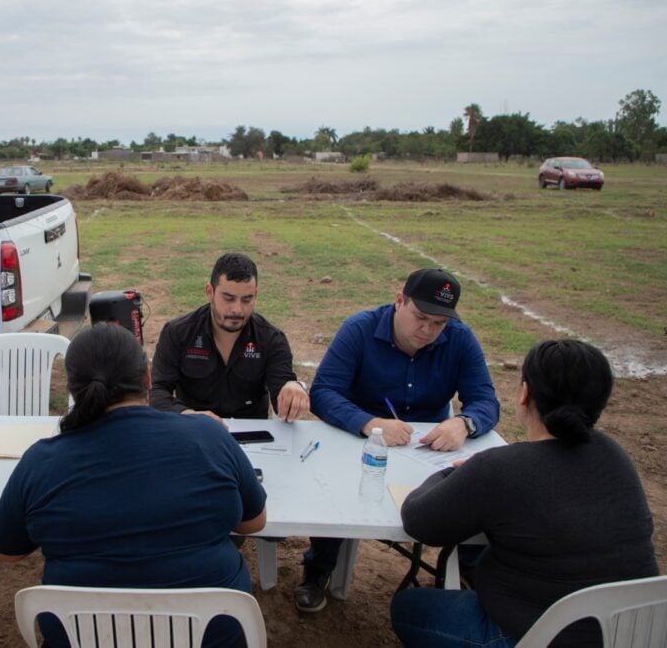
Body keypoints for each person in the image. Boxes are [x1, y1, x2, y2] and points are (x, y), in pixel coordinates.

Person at [0, 323, 267, 648]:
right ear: (147, 378)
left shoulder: (42, 462)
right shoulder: (208, 436)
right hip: (211, 637)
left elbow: (2, 550)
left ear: (74, 391)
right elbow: (254, 522)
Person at [390, 339, 658, 647]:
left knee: (409, 607)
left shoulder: (502, 468)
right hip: (635, 632)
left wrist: (454, 472)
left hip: (536, 637)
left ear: (525, 393)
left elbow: (419, 521)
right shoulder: (615, 455)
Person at [298, 268, 500, 612]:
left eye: (439, 324)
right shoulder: (359, 329)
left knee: (475, 490)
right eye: (420, 318)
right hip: (360, 440)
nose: (428, 330)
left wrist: (465, 423)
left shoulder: (460, 339)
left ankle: (471, 571)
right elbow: (323, 392)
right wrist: (369, 423)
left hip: (427, 449)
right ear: (398, 301)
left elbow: (485, 399)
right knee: (332, 490)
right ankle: (318, 569)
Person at [151, 252, 310, 422]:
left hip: (253, 436)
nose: (237, 309)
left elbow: (282, 391)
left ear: (256, 294)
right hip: (195, 431)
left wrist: (294, 390)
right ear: (209, 292)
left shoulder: (271, 339)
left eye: (247, 300)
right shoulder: (177, 333)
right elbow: (157, 392)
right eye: (228, 298)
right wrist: (188, 415)